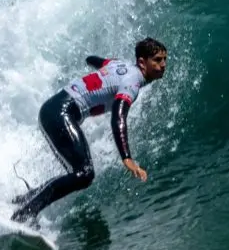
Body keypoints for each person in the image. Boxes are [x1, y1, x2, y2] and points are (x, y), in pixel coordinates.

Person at [11, 37, 168, 223]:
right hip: (61, 113)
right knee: (84, 174)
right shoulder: (132, 83)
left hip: (52, 109)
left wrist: (94, 65)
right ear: (142, 62)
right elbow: (119, 117)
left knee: (78, 172)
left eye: (165, 59)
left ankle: (26, 200)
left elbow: (94, 60)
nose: (163, 65)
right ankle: (25, 213)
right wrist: (127, 158)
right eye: (157, 60)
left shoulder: (119, 64)